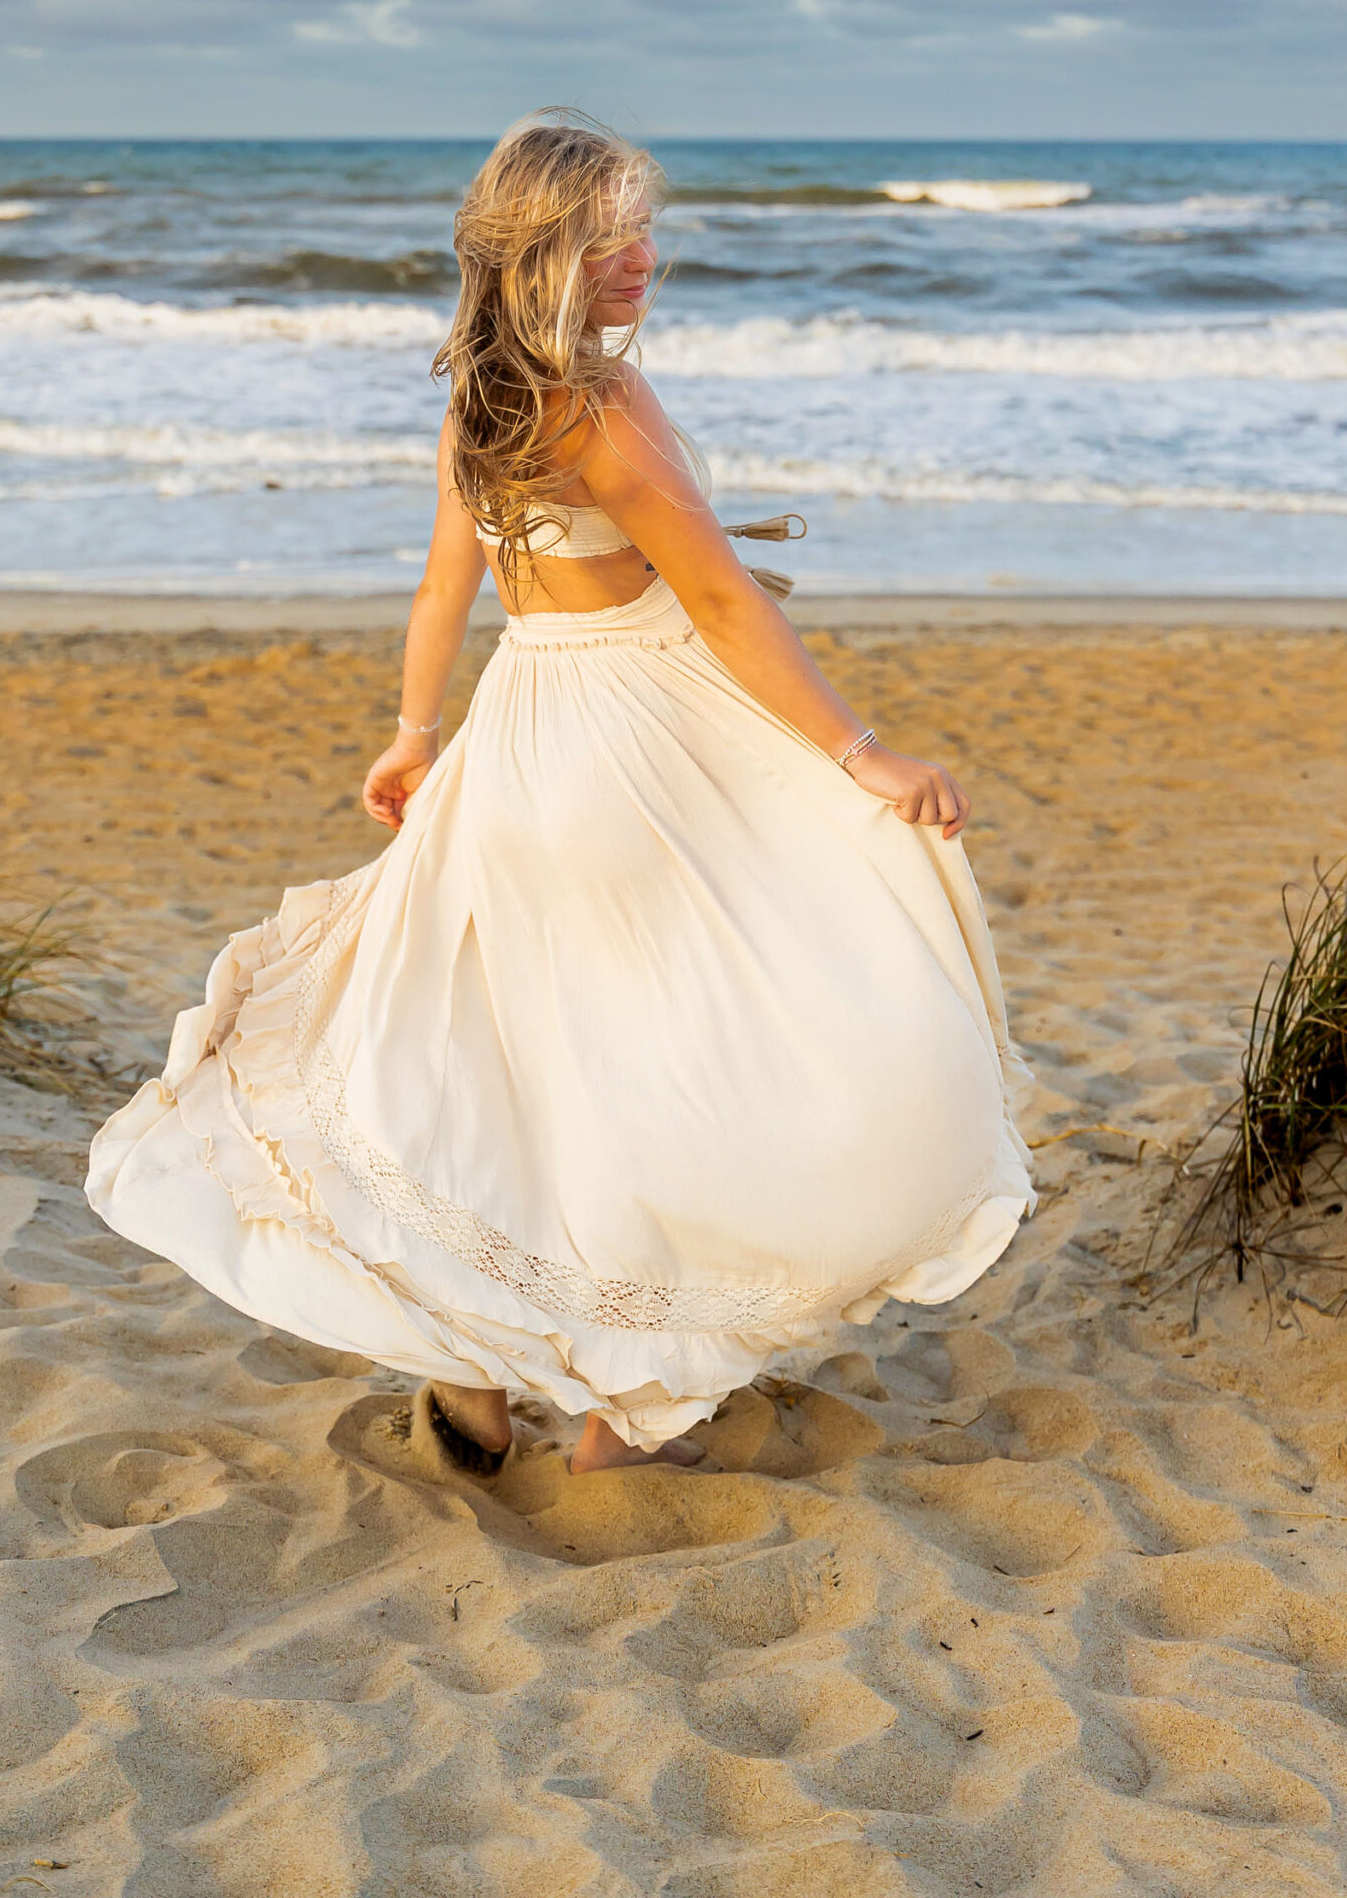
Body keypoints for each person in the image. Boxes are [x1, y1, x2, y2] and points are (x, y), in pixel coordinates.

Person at [86, 113, 1032, 1477]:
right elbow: (710, 595)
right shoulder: (601, 407)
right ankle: (617, 1419)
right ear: (547, 256)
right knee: (680, 1062)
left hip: (520, 740)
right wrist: (858, 747)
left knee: (520, 1070)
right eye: (610, 239)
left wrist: (413, 735)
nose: (642, 257)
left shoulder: (479, 403)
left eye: (643, 228)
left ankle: (475, 1380)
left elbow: (440, 588)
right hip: (637, 739)